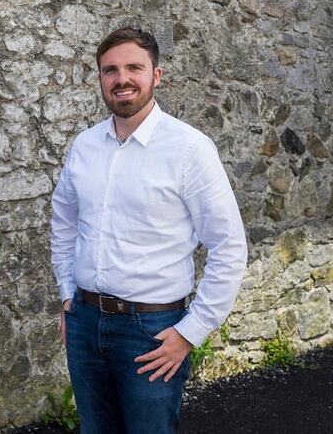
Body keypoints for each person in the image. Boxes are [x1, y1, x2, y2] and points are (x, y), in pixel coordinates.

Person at [50, 27, 247, 433]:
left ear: (156, 75)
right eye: (110, 70)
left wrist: (191, 332)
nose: (122, 79)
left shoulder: (189, 149)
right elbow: (65, 222)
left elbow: (228, 247)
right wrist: (68, 294)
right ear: (101, 79)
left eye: (133, 68)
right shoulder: (85, 145)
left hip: (152, 333)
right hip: (85, 323)